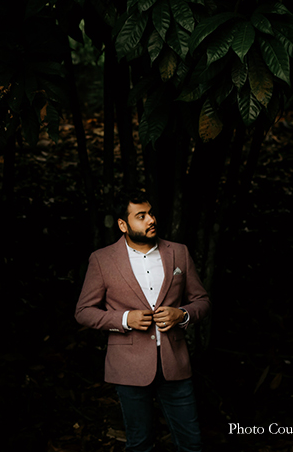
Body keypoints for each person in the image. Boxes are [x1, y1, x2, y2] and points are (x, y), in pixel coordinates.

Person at [75, 191, 211, 452]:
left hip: (176, 364)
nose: (151, 220)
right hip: (128, 367)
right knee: (139, 445)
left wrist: (182, 314)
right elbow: (83, 311)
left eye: (151, 213)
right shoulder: (102, 260)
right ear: (123, 225)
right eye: (141, 216)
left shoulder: (178, 253)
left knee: (192, 443)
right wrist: (124, 319)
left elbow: (202, 301)